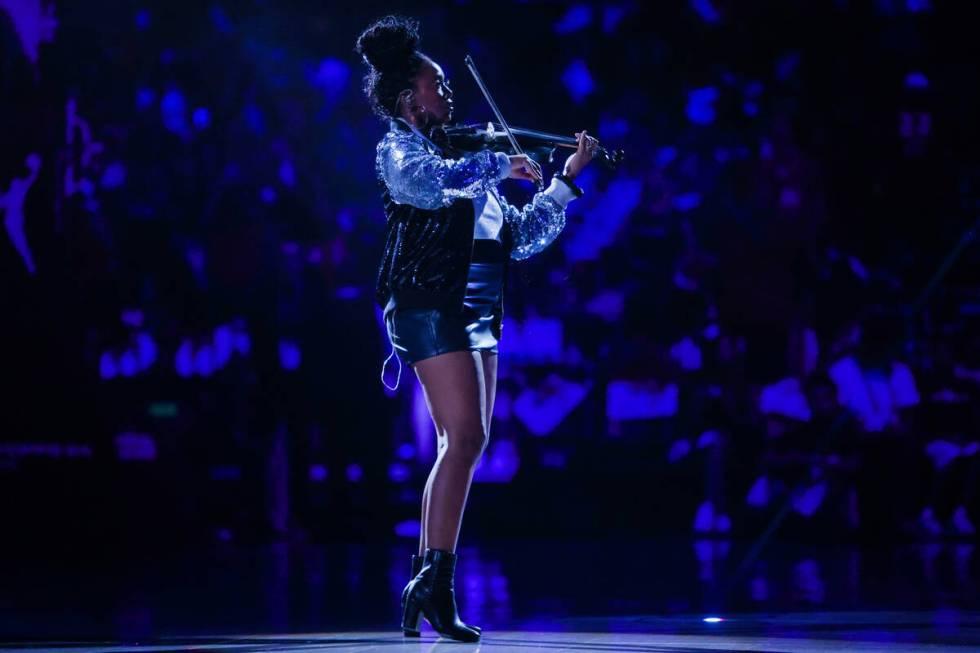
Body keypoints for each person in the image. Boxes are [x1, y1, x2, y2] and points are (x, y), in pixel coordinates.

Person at [355, 14, 598, 642]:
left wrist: (563, 183)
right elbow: (432, 187)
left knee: (466, 443)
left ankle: (428, 582)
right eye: (438, 84)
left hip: (478, 309)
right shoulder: (402, 149)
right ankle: (433, 583)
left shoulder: (471, 157)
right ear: (410, 97)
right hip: (429, 305)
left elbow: (520, 238)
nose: (448, 92)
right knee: (463, 437)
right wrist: (495, 162)